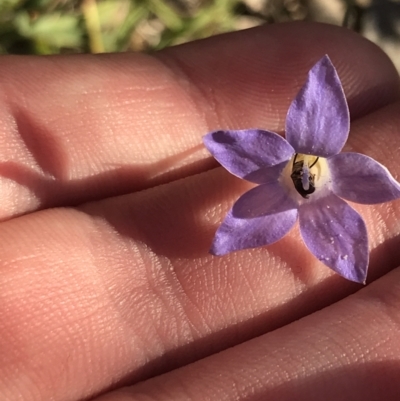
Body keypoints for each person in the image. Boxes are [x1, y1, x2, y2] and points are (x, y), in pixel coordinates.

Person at [1, 21, 400, 401]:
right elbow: (232, 154)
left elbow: (357, 216)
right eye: (302, 170)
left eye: (309, 173)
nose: (306, 176)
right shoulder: (272, 166)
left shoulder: (334, 195)